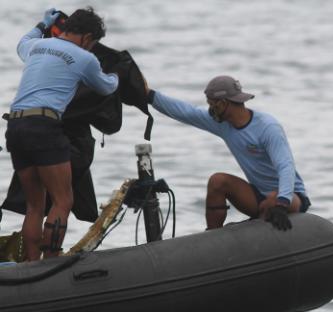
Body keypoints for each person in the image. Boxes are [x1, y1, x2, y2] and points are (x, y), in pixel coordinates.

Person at [4, 7, 118, 261]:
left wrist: (42, 24)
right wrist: (117, 76)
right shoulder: (84, 57)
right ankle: (51, 262)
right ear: (88, 38)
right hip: (44, 127)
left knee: (34, 205)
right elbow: (106, 87)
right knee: (63, 199)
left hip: (15, 126)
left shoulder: (36, 46)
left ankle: (31, 267)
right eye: (92, 44)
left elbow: (22, 41)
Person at [145, 76, 310, 231]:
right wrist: (149, 95)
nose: (210, 110)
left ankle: (262, 225)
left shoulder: (267, 128)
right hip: (258, 195)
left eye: (212, 104)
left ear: (223, 103)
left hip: (290, 196)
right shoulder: (224, 124)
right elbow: (187, 112)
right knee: (218, 181)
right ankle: (212, 238)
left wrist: (282, 204)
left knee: (273, 200)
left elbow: (285, 166)